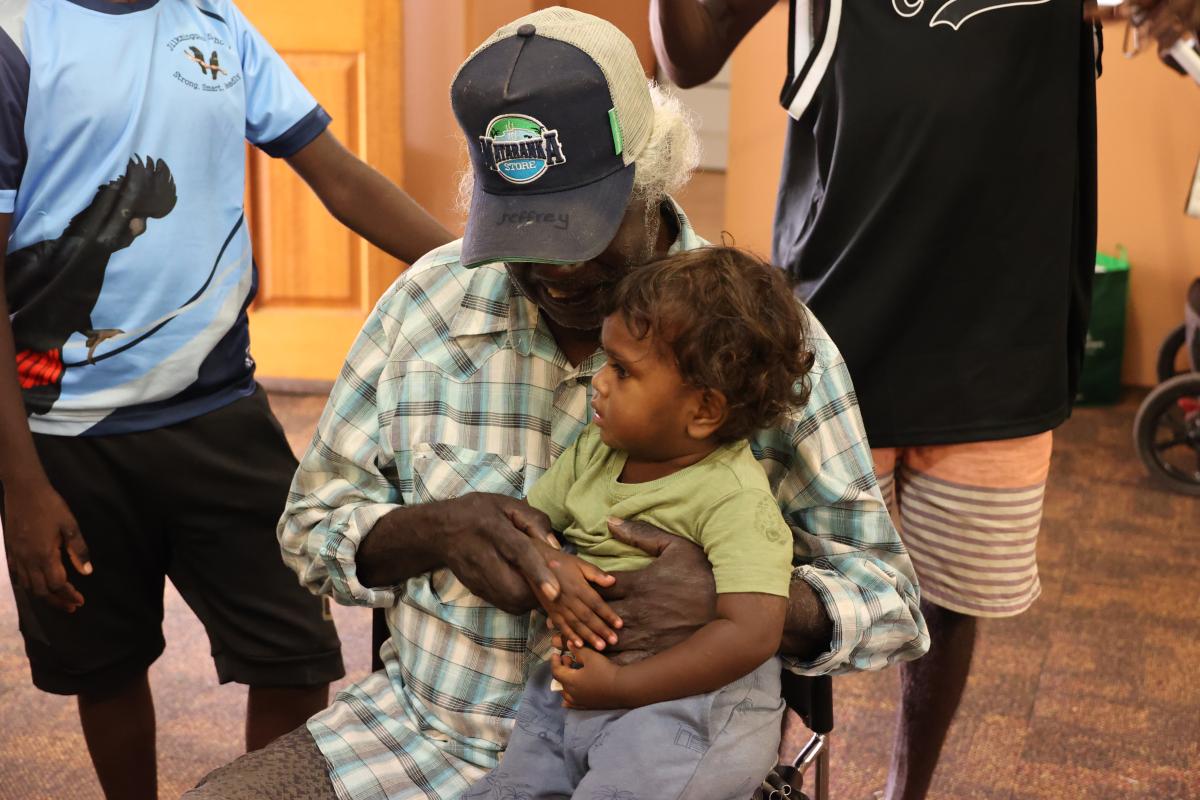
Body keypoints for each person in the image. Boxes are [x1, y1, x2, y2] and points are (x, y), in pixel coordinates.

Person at [185, 8, 927, 799]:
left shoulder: (753, 340)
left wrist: (747, 605)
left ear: (656, 175)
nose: (555, 271)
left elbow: (887, 598)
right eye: (520, 236)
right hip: (414, 739)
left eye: (579, 232)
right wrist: (431, 532)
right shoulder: (427, 307)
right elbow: (308, 530)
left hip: (652, 756)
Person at [650, 1, 1199, 798]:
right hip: (832, 344)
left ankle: (906, 789)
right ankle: (772, 774)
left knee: (952, 599)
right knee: (777, 583)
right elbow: (689, 57)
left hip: (1000, 340)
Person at [0, 1, 452, 798]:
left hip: (218, 411)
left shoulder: (216, 23)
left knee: (294, 646)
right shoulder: (19, 36)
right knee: (105, 663)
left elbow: (338, 175)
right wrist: (22, 486)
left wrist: (479, 264)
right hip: (64, 437)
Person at [463, 246, 813, 800]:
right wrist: (551, 562)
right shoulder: (596, 452)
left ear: (703, 411)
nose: (598, 383)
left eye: (623, 371)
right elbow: (526, 518)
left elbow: (753, 632)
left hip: (690, 709)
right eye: (607, 361)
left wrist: (623, 685)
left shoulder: (735, 499)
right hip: (578, 688)